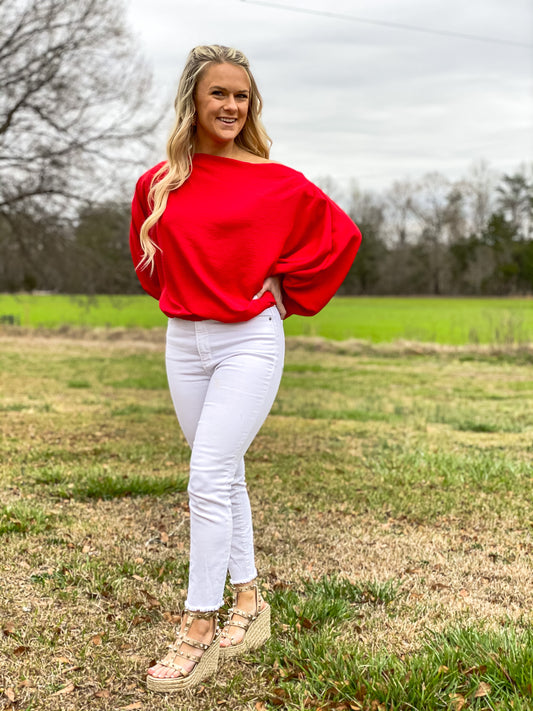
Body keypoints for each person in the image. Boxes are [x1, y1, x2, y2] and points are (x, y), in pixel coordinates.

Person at [129, 44, 362, 693]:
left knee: (205, 474)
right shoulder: (158, 182)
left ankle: (197, 626)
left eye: (241, 95)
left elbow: (342, 237)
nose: (231, 105)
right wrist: (190, 301)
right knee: (221, 472)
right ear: (193, 102)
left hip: (247, 341)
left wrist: (285, 291)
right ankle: (249, 601)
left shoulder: (276, 181)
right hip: (185, 340)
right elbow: (147, 261)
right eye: (219, 94)